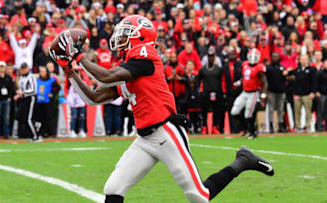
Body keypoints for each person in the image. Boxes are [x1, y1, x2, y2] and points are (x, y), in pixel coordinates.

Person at [50, 15, 274, 203]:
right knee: (113, 188)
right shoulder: (127, 66)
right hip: (145, 138)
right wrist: (70, 71)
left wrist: (78, 56)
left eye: (125, 32)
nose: (119, 37)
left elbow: (106, 77)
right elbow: (94, 97)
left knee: (199, 196)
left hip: (166, 132)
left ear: (139, 36)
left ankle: (244, 160)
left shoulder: (146, 55)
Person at [231, 48, 268, 139]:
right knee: (234, 111)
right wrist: (240, 82)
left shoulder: (259, 67)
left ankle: (253, 132)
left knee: (248, 114)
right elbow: (245, 77)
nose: (252, 58)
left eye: (254, 57)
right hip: (244, 92)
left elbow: (265, 82)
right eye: (251, 56)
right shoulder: (245, 65)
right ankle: (246, 128)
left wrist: (263, 95)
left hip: (253, 93)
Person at [198, 46, 224, 134]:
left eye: (212, 56)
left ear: (215, 57)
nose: (211, 58)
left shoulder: (218, 69)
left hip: (216, 92)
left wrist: (221, 92)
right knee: (204, 110)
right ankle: (204, 127)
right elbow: (198, 80)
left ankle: (214, 127)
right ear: (207, 57)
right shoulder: (202, 69)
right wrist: (200, 90)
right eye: (209, 56)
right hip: (206, 93)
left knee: (216, 110)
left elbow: (221, 80)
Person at [288, 54, 317, 133]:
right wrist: (286, 71)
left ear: (308, 60)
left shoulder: (312, 70)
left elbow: (314, 82)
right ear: (299, 60)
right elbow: (290, 73)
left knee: (308, 111)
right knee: (297, 111)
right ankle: (298, 127)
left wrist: (313, 92)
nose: (303, 61)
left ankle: (308, 126)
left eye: (305, 59)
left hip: (307, 94)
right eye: (302, 59)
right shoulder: (297, 70)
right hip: (297, 94)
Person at [14, 62, 41, 141]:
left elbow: (33, 90)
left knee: (28, 118)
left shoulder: (31, 77)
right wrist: (19, 95)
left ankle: (36, 136)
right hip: (24, 99)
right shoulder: (22, 78)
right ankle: (32, 133)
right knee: (23, 117)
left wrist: (22, 93)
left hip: (31, 98)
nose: (22, 70)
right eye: (22, 69)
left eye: (24, 68)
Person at [222, 49, 243, 134]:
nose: (232, 56)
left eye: (233, 55)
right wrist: (224, 91)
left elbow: (243, 77)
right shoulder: (225, 66)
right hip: (229, 92)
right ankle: (233, 128)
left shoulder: (240, 65)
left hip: (239, 91)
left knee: (240, 109)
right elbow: (223, 80)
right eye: (230, 55)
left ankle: (242, 127)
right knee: (231, 110)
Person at [35, 66, 60, 138]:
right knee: (40, 118)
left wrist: (52, 94)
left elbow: (57, 88)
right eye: (41, 71)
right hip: (39, 102)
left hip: (47, 102)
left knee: (49, 118)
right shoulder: (37, 80)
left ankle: (51, 133)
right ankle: (41, 133)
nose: (42, 73)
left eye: (43, 71)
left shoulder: (51, 80)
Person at [266, 53, 288, 133]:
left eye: (277, 57)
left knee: (280, 109)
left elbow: (285, 78)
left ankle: (280, 125)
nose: (275, 58)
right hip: (271, 91)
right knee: (271, 109)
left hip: (281, 91)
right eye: (274, 56)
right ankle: (271, 126)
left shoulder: (282, 67)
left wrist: (287, 74)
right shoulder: (268, 68)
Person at [66, 68, 87, 138]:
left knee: (82, 117)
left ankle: (81, 130)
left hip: (81, 101)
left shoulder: (83, 80)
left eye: (77, 73)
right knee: (74, 117)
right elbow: (67, 88)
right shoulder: (70, 81)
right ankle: (72, 131)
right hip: (73, 102)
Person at [316, 59, 327, 131]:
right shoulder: (320, 73)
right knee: (320, 111)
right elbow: (316, 83)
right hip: (322, 94)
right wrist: (316, 91)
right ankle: (319, 127)